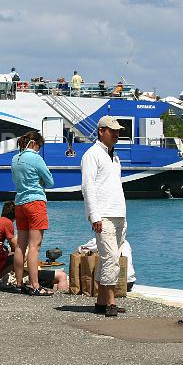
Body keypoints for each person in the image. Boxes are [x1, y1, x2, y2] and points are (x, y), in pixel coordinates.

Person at [81, 115, 127, 317]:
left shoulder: (114, 156)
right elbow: (88, 186)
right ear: (101, 131)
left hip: (118, 213)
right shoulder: (92, 155)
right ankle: (111, 302)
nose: (116, 134)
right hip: (104, 215)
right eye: (112, 130)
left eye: (118, 131)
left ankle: (101, 302)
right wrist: (94, 215)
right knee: (110, 259)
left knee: (110, 257)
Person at [11, 131, 54, 296]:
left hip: (19, 202)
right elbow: (50, 181)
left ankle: (19, 283)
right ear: (35, 143)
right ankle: (36, 286)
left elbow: (15, 180)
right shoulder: (36, 158)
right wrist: (40, 180)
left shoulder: (15, 159)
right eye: (40, 146)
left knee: (21, 245)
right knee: (34, 246)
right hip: (35, 202)